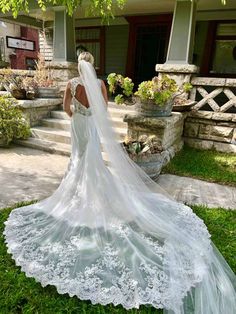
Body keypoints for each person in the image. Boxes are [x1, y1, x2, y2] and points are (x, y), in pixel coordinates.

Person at [3, 52, 236, 314]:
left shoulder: (71, 84)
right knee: (92, 160)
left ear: (79, 66)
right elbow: (102, 109)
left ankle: (77, 192)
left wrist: (77, 112)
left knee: (77, 159)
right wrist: (90, 113)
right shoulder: (100, 85)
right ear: (92, 66)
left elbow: (67, 109)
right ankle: (91, 190)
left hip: (78, 124)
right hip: (90, 125)